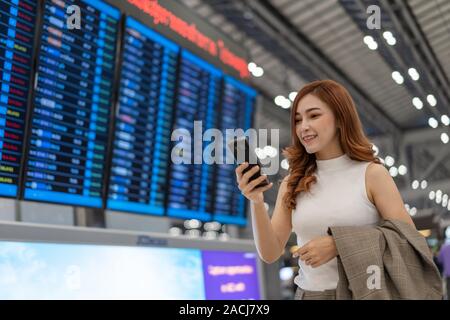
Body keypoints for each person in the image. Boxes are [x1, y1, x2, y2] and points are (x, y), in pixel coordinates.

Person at [235, 79, 416, 299]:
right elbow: (270, 252)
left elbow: (407, 240)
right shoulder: (292, 183)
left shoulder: (372, 174)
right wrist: (256, 201)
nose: (304, 127)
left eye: (314, 115)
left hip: (364, 294)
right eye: (298, 119)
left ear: (340, 118)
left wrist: (339, 244)